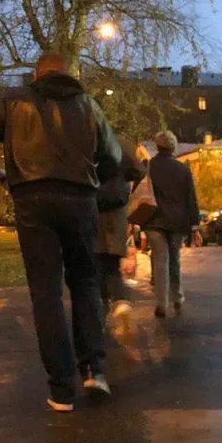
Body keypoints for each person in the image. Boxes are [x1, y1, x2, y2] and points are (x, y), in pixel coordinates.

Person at [0, 52, 121, 412]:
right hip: (80, 198)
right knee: (85, 282)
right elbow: (113, 157)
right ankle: (94, 370)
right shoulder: (89, 106)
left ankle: (62, 389)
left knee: (45, 291)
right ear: (69, 74)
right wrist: (89, 175)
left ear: (36, 75)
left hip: (32, 197)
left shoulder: (15, 100)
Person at [143, 131, 200, 318]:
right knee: (174, 259)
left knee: (160, 261)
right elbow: (191, 198)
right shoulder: (183, 169)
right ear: (174, 147)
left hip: (154, 220)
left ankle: (161, 303)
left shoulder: (148, 167)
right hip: (177, 221)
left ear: (157, 146)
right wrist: (195, 224)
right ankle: (177, 296)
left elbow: (139, 192)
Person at [95, 133, 145, 328]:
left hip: (91, 209)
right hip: (116, 211)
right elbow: (139, 172)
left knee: (94, 263)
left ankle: (100, 312)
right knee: (112, 263)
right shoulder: (120, 143)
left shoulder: (81, 138)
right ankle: (121, 303)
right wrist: (122, 180)